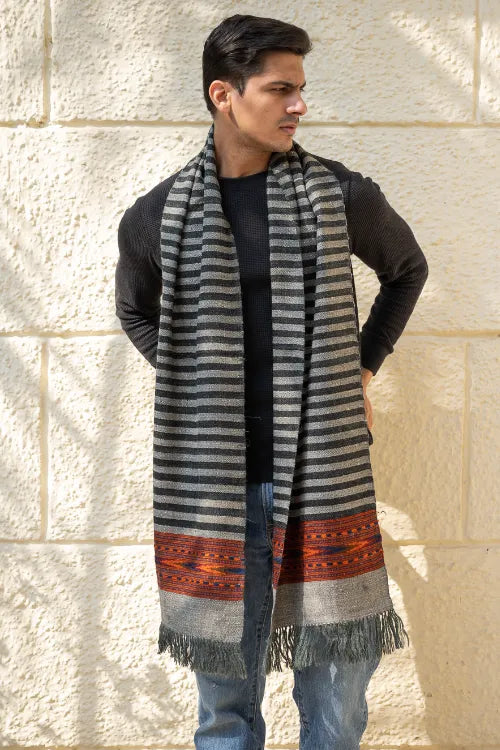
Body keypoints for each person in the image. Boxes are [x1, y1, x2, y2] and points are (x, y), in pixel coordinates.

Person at [115, 13, 428, 750]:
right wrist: (197, 382)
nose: (299, 105)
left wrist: (359, 367)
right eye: (280, 89)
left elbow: (406, 270)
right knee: (225, 712)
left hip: (323, 477)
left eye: (301, 89)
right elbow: (134, 310)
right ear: (223, 94)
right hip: (215, 489)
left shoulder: (338, 194)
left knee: (337, 706)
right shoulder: (159, 216)